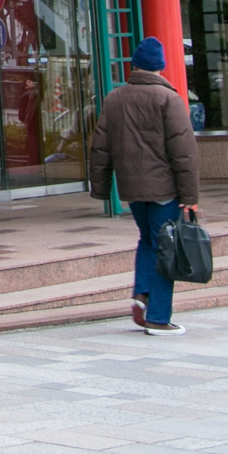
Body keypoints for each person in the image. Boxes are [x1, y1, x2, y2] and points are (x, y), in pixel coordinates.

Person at [86, 37, 200, 337]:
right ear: (160, 68)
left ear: (134, 66)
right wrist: (190, 197)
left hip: (131, 189)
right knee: (167, 248)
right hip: (165, 189)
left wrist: (99, 187)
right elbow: (184, 153)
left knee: (148, 241)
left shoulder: (114, 98)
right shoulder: (169, 99)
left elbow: (100, 147)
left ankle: (142, 290)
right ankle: (159, 318)